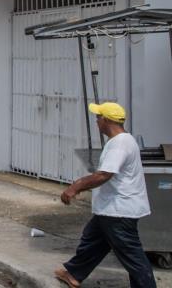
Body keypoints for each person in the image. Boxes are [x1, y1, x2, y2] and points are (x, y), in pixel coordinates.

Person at [54, 102, 155, 288]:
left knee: (132, 256)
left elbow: (104, 175)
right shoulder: (124, 140)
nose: (96, 122)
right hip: (111, 208)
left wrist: (76, 186)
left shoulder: (119, 145)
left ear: (106, 120)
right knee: (93, 239)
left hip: (119, 211)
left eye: (98, 118)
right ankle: (74, 273)